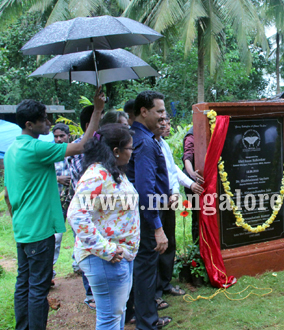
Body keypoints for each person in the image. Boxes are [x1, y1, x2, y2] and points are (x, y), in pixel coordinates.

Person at [4, 89, 104, 330]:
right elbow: (82, 146)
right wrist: (98, 110)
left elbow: (7, 194)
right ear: (30, 124)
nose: (48, 123)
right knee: (38, 287)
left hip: (22, 225)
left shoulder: (12, 150)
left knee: (24, 283)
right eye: (44, 119)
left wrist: (15, 215)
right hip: (40, 228)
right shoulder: (36, 149)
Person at [67, 123, 139, 330]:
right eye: (130, 148)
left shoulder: (112, 172)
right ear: (116, 151)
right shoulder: (96, 175)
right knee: (109, 319)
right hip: (106, 259)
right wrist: (105, 249)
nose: (132, 153)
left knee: (117, 315)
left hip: (120, 256)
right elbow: (76, 215)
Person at [127, 90, 172, 329]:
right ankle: (147, 322)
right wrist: (157, 227)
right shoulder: (144, 142)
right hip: (146, 216)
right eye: (160, 111)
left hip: (139, 214)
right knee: (145, 268)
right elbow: (145, 191)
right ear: (144, 112)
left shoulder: (138, 136)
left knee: (140, 267)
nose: (164, 117)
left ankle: (133, 315)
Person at [154, 118, 203, 307]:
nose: (168, 125)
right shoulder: (146, 144)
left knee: (169, 242)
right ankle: (155, 291)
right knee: (155, 246)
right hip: (154, 202)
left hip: (169, 200)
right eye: (163, 121)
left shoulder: (163, 144)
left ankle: (165, 284)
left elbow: (172, 170)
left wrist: (181, 189)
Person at [67, 104, 105, 310]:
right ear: (89, 125)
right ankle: (90, 293)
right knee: (86, 248)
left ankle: (100, 289)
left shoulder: (101, 146)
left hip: (103, 211)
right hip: (85, 209)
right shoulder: (78, 148)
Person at [52, 123, 71, 281]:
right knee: (56, 237)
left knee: (80, 232)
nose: (58, 139)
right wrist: (58, 178)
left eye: (61, 136)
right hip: (57, 201)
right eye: (56, 137)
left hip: (74, 201)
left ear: (68, 136)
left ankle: (79, 266)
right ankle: (49, 272)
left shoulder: (75, 153)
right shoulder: (50, 153)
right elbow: (41, 176)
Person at [182, 126, 204, 242]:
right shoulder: (192, 134)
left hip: (203, 181)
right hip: (193, 182)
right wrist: (192, 174)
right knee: (197, 215)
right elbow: (187, 157)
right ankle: (197, 248)